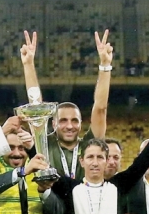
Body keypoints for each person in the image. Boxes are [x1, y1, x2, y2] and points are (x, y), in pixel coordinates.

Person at [20, 30, 111, 183]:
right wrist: (28, 64)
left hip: (84, 203)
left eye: (75, 121)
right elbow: (36, 108)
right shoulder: (45, 142)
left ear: (81, 124)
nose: (70, 126)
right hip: (52, 203)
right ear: (53, 123)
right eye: (63, 121)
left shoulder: (89, 144)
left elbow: (100, 108)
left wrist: (105, 65)